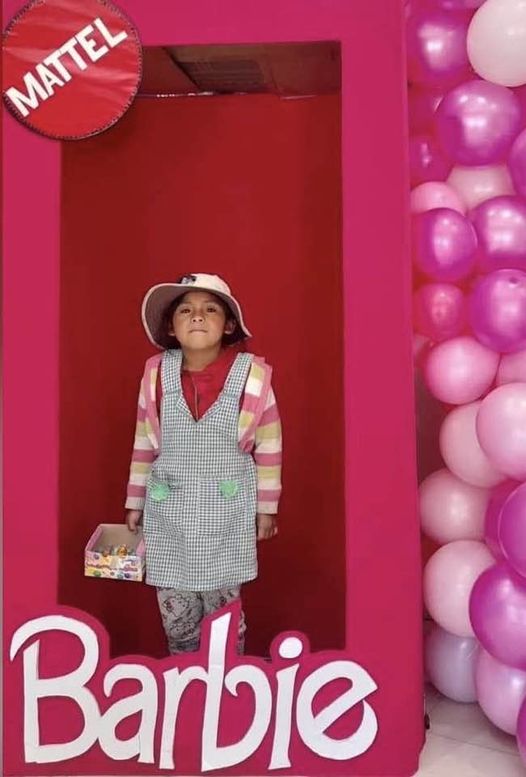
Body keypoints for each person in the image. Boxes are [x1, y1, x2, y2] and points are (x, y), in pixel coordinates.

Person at [125, 273, 282, 655]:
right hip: (168, 512)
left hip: (226, 515)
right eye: (186, 310)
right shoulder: (156, 375)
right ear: (171, 327)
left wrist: (266, 508)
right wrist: (134, 502)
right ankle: (185, 677)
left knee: (224, 611)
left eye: (210, 309)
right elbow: (144, 442)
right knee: (176, 614)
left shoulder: (252, 379)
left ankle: (227, 677)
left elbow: (270, 446)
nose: (197, 316)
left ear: (228, 325)